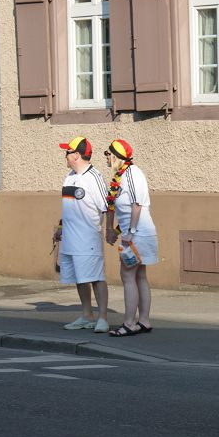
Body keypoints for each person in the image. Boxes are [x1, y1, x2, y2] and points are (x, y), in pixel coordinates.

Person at [103, 139, 159, 337]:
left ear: (117, 156)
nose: (107, 158)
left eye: (108, 154)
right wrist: (115, 231)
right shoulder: (122, 176)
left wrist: (130, 234)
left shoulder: (133, 174)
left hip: (138, 234)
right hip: (135, 233)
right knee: (139, 276)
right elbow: (125, 212)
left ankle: (129, 323)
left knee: (128, 276)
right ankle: (143, 321)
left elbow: (137, 204)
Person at [55, 136, 110, 333]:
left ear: (77, 155)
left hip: (88, 238)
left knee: (96, 277)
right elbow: (69, 206)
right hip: (70, 237)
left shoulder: (94, 177)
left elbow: (107, 207)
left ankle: (102, 317)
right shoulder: (69, 176)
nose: (65, 155)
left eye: (67, 152)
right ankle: (87, 315)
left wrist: (109, 230)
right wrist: (60, 227)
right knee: (80, 277)